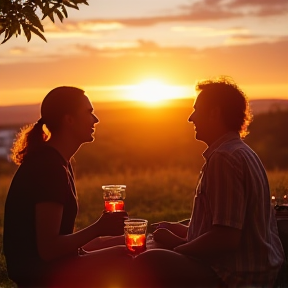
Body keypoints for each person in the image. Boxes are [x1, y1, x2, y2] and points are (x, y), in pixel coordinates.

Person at [134, 76, 285, 287]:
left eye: (196, 110)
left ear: (214, 113)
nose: (191, 118)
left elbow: (226, 238)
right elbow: (226, 224)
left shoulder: (224, 158)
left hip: (235, 276)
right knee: (154, 247)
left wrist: (176, 247)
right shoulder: (242, 152)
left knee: (147, 260)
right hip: (258, 270)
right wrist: (182, 230)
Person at [3, 86, 130, 287]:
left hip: (49, 267)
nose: (95, 120)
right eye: (89, 113)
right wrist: (99, 228)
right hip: (43, 277)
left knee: (139, 243)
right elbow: (48, 249)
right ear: (68, 119)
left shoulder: (56, 161)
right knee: (133, 257)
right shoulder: (49, 167)